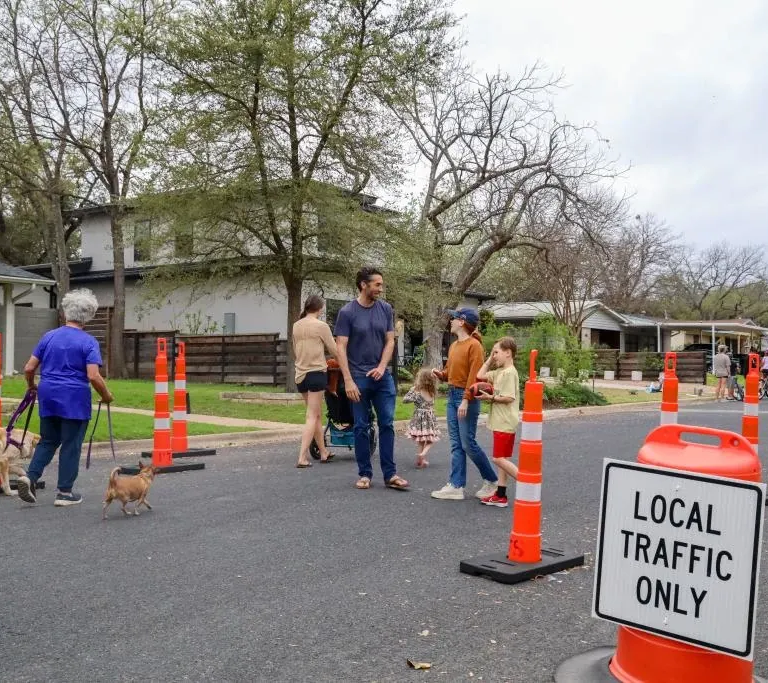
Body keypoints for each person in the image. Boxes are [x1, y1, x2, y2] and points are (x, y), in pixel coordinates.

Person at [16, 288, 113, 506]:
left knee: (48, 439)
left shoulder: (49, 336)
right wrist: (106, 396)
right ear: (88, 316)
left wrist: (32, 387)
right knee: (71, 443)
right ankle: (65, 493)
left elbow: (29, 368)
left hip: (48, 392)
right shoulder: (88, 342)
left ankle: (29, 477)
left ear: (66, 312)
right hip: (74, 397)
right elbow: (93, 376)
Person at [335, 266, 409, 491]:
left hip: (382, 377)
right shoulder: (347, 312)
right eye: (377, 284)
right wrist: (347, 380)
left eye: (381, 284)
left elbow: (390, 341)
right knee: (360, 426)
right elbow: (340, 347)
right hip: (358, 377)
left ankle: (390, 474)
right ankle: (365, 474)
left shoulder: (385, 309)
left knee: (387, 423)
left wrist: (381, 366)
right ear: (363, 285)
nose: (380, 288)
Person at [430, 308, 498, 501]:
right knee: (456, 444)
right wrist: (440, 374)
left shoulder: (474, 345)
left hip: (465, 397)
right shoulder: (454, 346)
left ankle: (492, 481)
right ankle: (456, 486)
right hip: (453, 395)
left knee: (468, 443)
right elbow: (449, 371)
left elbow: (474, 376)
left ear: (462, 322)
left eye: (454, 318)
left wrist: (466, 400)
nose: (450, 321)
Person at [292, 294, 337, 468]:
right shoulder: (321, 326)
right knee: (312, 416)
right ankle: (302, 457)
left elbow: (295, 350)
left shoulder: (296, 325)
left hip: (300, 374)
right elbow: (333, 349)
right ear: (320, 308)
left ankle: (323, 451)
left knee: (316, 415)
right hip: (316, 373)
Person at [474, 337, 520, 508]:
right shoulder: (499, 372)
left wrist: (490, 397)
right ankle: (501, 495)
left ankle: (527, 481)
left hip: (505, 422)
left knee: (498, 459)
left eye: (497, 352)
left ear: (508, 353)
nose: (494, 356)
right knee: (503, 460)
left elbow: (509, 397)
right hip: (500, 422)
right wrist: (489, 358)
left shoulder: (509, 373)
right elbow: (479, 376)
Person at [403, 369, 440, 469]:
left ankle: (420, 460)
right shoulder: (432, 392)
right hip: (429, 419)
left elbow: (405, 400)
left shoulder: (417, 391)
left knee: (421, 440)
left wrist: (412, 393)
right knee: (430, 439)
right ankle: (423, 454)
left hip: (419, 419)